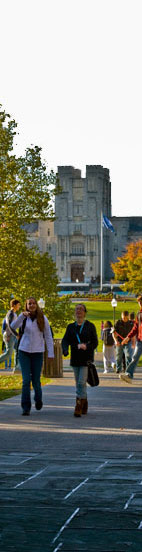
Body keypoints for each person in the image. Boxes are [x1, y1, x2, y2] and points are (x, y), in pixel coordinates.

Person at [10, 296, 54, 415]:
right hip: (24, 351)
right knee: (26, 380)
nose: (32, 305)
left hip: (37, 353)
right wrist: (21, 316)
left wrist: (51, 353)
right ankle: (26, 407)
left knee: (36, 381)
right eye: (30, 304)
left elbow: (48, 337)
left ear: (37, 305)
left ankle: (38, 399)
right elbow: (12, 327)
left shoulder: (43, 318)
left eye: (34, 303)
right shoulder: (23, 318)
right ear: (26, 306)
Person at [62, 303, 98, 417]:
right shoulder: (70, 327)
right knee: (79, 383)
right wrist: (65, 350)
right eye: (77, 309)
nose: (78, 311)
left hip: (86, 359)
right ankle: (85, 402)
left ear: (85, 312)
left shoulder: (90, 326)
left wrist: (86, 346)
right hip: (75, 359)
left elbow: (95, 342)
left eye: (81, 309)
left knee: (81, 382)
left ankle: (78, 406)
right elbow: (65, 340)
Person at [120, 296, 142, 383]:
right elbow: (135, 328)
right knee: (135, 357)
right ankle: (129, 375)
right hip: (140, 340)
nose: (140, 304)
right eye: (139, 302)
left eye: (141, 302)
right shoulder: (139, 314)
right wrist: (127, 337)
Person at [0, 299, 20, 369]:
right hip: (9, 335)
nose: (19, 306)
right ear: (14, 305)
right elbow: (9, 325)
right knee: (8, 354)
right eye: (18, 305)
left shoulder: (14, 314)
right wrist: (16, 334)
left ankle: (17, 367)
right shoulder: (10, 313)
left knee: (18, 349)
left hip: (13, 335)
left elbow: (16, 325)